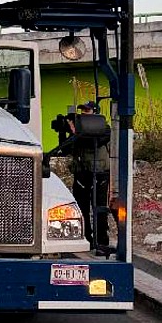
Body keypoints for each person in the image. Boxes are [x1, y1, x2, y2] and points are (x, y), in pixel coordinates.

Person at [69, 101, 111, 250]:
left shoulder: (105, 129)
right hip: (82, 172)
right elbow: (68, 148)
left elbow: (95, 142)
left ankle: (101, 241)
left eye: (87, 110)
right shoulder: (77, 130)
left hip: (100, 173)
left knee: (99, 207)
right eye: (82, 111)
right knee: (81, 207)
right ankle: (86, 238)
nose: (84, 113)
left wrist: (77, 134)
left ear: (95, 111)